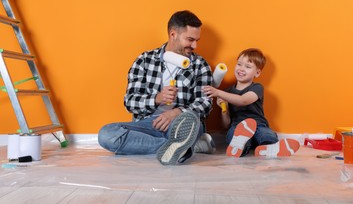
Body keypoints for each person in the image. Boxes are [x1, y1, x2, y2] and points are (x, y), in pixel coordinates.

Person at [98, 10, 215, 165]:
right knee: (106, 135)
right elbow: (130, 102)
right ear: (173, 34)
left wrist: (176, 112)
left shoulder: (200, 65)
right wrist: (157, 98)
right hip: (148, 124)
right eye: (190, 39)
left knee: (189, 125)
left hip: (181, 123)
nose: (195, 45)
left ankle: (176, 143)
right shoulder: (144, 60)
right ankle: (185, 147)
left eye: (197, 40)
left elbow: (205, 103)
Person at [202, 48, 300, 158]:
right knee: (233, 136)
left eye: (248, 67)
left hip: (258, 125)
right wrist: (225, 111)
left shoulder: (257, 88)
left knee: (267, 136)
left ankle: (268, 147)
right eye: (239, 64)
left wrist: (218, 92)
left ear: (257, 73)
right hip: (238, 127)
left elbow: (243, 100)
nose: (241, 69)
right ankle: (243, 147)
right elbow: (225, 125)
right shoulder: (228, 92)